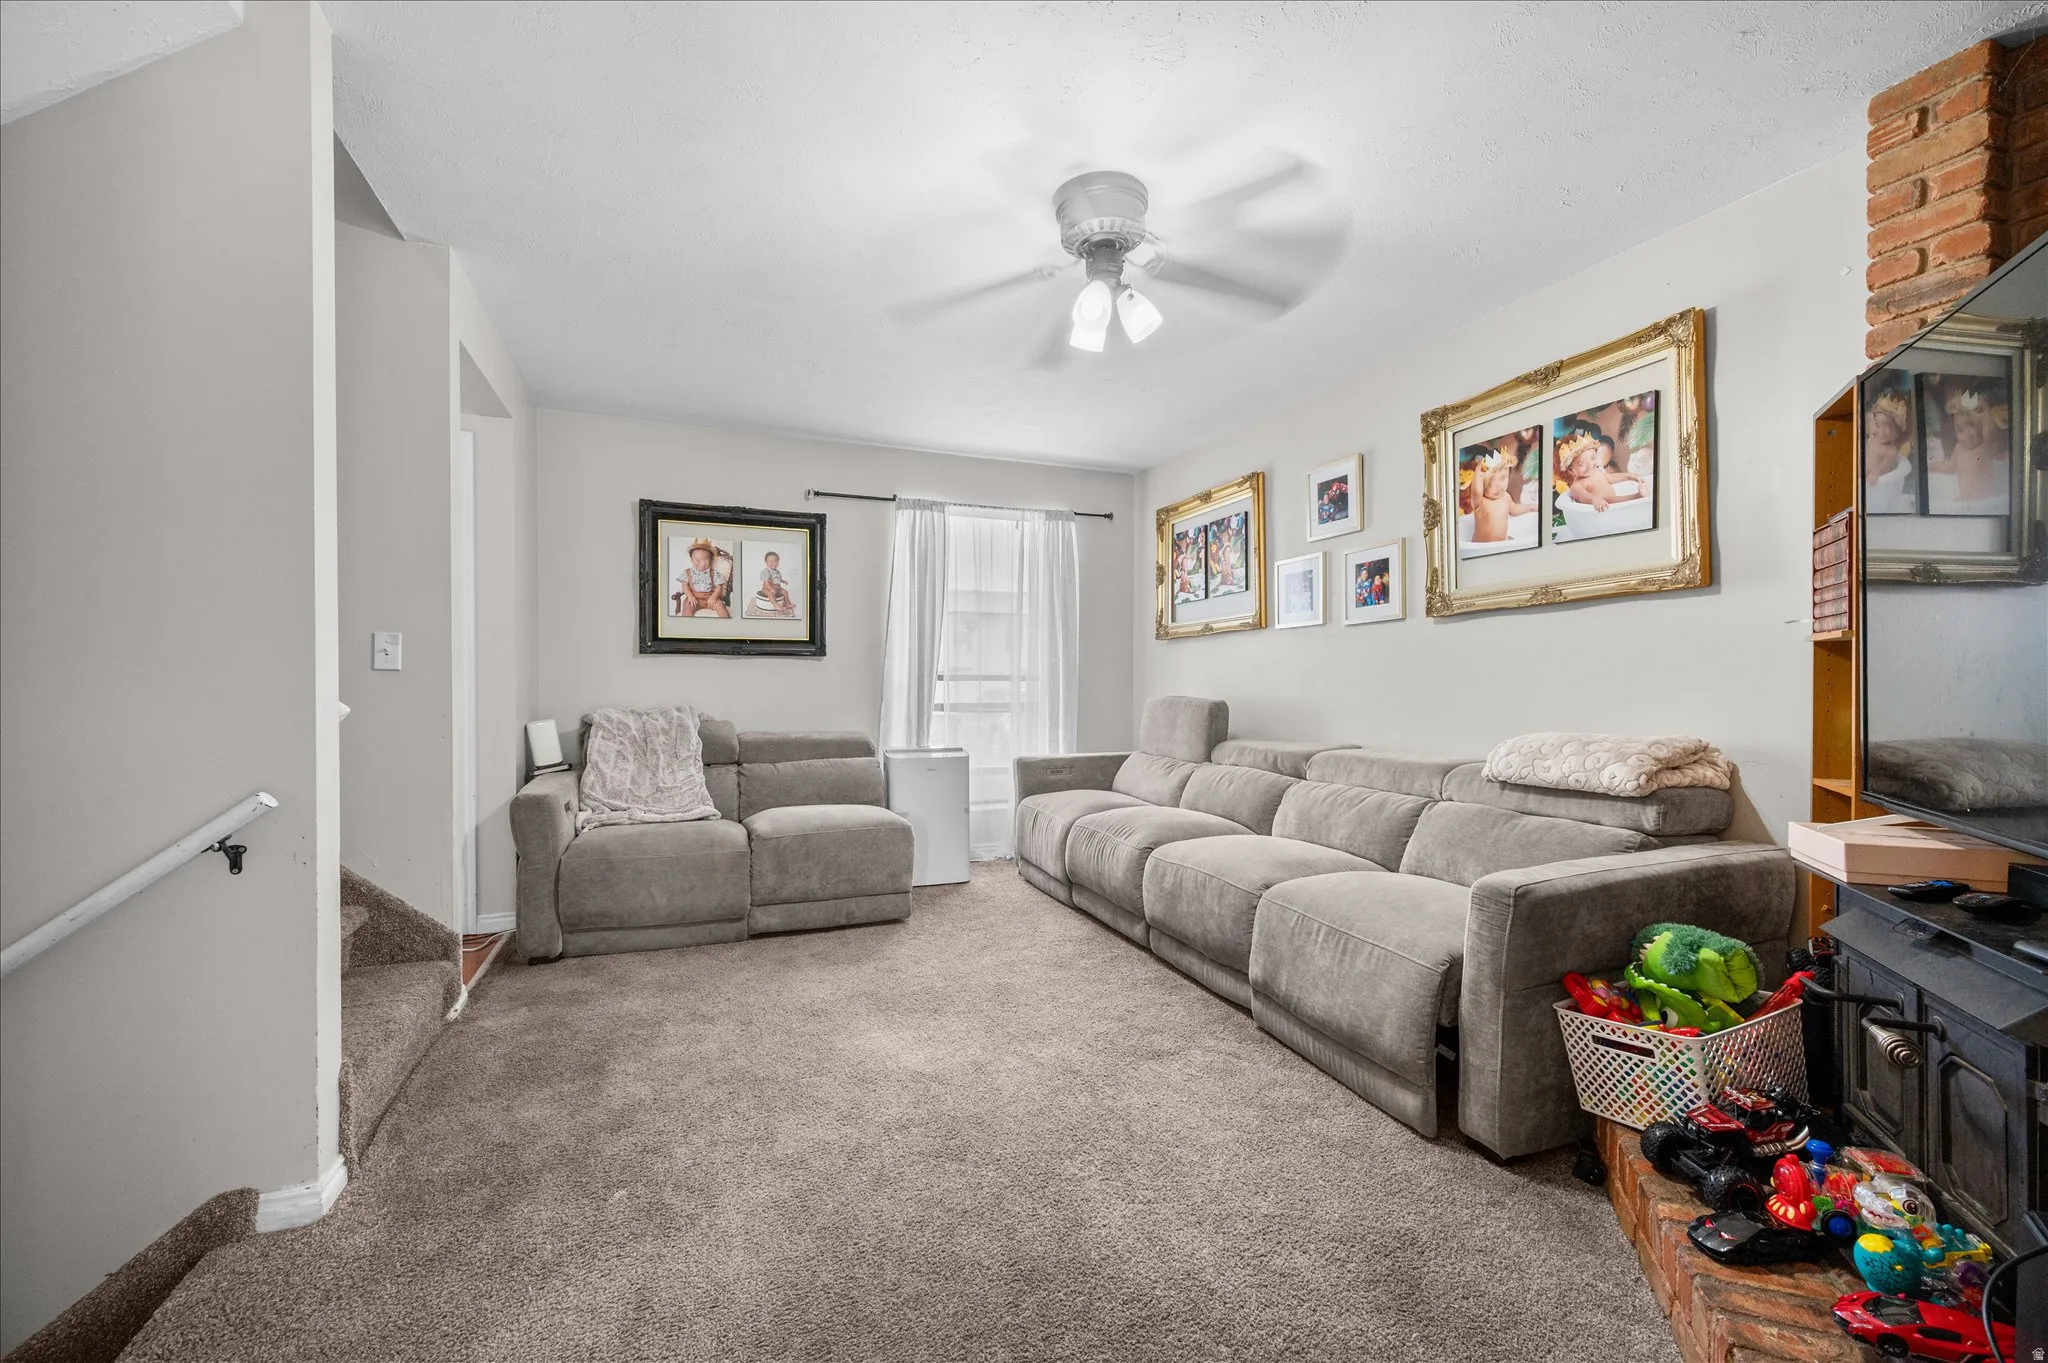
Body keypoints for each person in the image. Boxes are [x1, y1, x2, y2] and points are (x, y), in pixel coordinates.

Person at [1925, 380, 2010, 511]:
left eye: (1972, 426)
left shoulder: (1984, 449)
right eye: (1960, 430)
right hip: (1965, 502)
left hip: (1985, 503)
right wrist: (1932, 467)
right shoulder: (1959, 448)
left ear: (1981, 426)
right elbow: (1950, 465)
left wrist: (1985, 411)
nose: (1967, 435)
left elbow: (1989, 431)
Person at [1555, 430, 1644, 513]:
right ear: (1570, 470)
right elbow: (1582, 495)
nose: (1590, 466)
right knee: (1607, 499)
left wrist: (1628, 476)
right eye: (1581, 464)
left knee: (1610, 499)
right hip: (1601, 510)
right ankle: (1636, 497)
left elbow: (1611, 478)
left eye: (1592, 458)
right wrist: (1594, 499)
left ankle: (1637, 498)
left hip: (1615, 508)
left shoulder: (1597, 472)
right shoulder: (1577, 486)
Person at [1462, 451, 1537, 543]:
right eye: (1490, 482)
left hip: (1501, 545)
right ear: (1482, 484)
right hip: (1482, 547)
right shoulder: (1480, 501)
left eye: (1502, 478)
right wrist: (1478, 470)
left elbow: (1514, 509)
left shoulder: (1506, 497)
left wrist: (1530, 508)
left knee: (1515, 540)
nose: (1498, 486)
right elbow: (1476, 490)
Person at [673, 538, 730, 617]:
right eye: (698, 560)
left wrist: (714, 597)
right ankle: (686, 625)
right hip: (694, 599)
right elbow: (684, 585)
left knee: (720, 605)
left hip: (710, 599)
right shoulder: (688, 572)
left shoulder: (714, 573)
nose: (702, 563)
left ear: (710, 560)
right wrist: (689, 595)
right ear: (691, 560)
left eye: (705, 560)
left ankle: (726, 624)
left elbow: (718, 587)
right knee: (687, 607)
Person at [754, 550, 794, 616]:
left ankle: (787, 603)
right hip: (767, 589)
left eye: (776, 561)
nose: (774, 563)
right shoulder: (766, 571)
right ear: (766, 562)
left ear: (778, 562)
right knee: (770, 594)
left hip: (777, 588)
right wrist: (771, 589)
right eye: (771, 561)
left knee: (785, 592)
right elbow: (766, 583)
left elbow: (778, 579)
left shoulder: (777, 572)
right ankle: (776, 605)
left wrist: (783, 581)